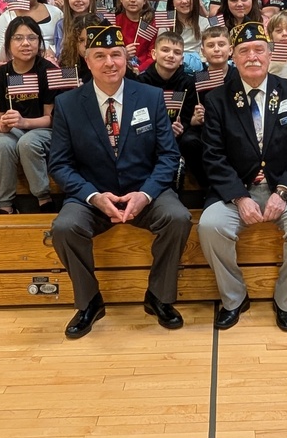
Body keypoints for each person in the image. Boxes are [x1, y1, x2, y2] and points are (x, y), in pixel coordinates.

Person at [49, 24, 193, 339]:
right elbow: (59, 164)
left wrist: (145, 194)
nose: (110, 62)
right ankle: (89, 301)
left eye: (116, 54)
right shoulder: (67, 104)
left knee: (179, 217)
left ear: (125, 58)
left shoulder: (151, 96)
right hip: (92, 196)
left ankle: (159, 296)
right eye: (100, 55)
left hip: (144, 191)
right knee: (64, 227)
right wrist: (93, 196)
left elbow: (169, 156)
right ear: (87, 61)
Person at [198, 21, 287, 332]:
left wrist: (283, 191)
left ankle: (285, 300)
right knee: (210, 226)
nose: (252, 56)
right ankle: (234, 298)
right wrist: (239, 197)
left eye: (259, 50)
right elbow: (213, 156)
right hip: (237, 189)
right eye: (244, 51)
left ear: (270, 55)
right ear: (233, 56)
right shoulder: (217, 100)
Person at [0, 17, 59, 214]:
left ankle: (44, 199)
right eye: (18, 38)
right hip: (14, 131)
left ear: (39, 42)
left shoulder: (49, 71)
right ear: (8, 43)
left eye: (32, 38)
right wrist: (3, 125)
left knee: (27, 142)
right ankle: (5, 205)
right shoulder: (0, 75)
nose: (26, 43)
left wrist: (24, 122)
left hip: (43, 130)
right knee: (2, 144)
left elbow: (51, 119)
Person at [137, 31, 201, 190]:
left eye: (177, 52)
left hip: (179, 134)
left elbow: (187, 116)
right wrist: (162, 131)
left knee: (191, 140)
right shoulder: (141, 82)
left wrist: (182, 126)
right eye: (165, 50)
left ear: (182, 59)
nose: (171, 55)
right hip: (151, 132)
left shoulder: (188, 83)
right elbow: (139, 116)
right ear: (154, 53)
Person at [167, 0, 209, 74]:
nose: (184, 1)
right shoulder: (166, 22)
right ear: (172, 1)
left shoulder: (204, 22)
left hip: (198, 68)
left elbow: (205, 53)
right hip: (172, 67)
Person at [115, 0, 156, 73]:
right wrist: (123, 54)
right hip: (120, 68)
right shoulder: (115, 22)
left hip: (145, 71)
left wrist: (139, 69)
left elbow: (153, 54)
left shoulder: (152, 24)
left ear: (144, 0)